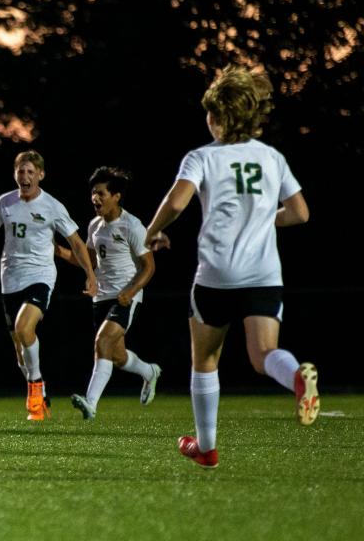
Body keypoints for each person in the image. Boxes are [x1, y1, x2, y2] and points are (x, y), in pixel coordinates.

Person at [145, 65, 318, 469]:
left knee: (205, 361)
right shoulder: (272, 157)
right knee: (264, 355)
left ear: (220, 116)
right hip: (263, 275)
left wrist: (152, 232)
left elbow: (176, 202)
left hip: (217, 276)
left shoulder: (202, 157)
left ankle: (206, 448)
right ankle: (296, 378)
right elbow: (300, 213)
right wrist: (260, 220)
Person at [0, 150, 97, 420]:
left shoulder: (52, 206)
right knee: (20, 354)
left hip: (40, 275)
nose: (25, 176)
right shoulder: (4, 203)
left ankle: (35, 391)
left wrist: (90, 274)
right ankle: (41, 388)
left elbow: (75, 242)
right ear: (15, 174)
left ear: (41, 174)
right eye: (20, 171)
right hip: (10, 279)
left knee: (24, 327)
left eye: (30, 172)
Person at [55, 167, 161, 420]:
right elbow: (88, 260)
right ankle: (149, 372)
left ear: (116, 196)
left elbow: (150, 266)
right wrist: (57, 250)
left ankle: (90, 404)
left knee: (101, 343)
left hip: (125, 296)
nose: (95, 198)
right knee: (116, 355)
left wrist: (131, 291)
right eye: (93, 193)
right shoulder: (94, 225)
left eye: (101, 193)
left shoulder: (132, 225)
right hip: (101, 296)